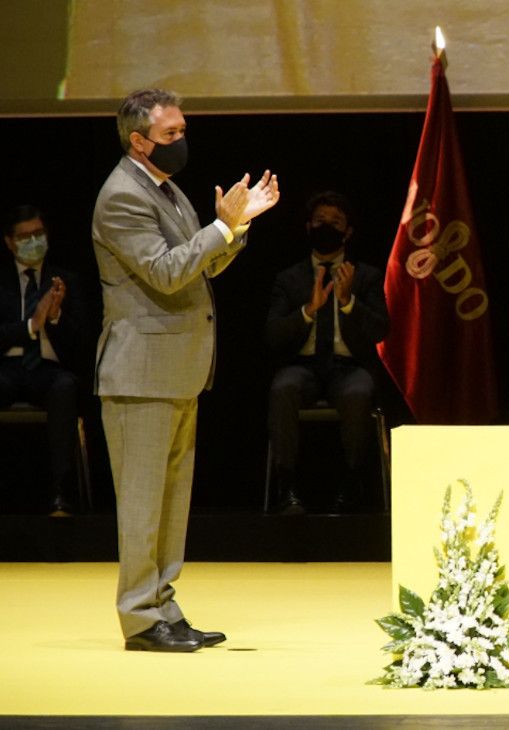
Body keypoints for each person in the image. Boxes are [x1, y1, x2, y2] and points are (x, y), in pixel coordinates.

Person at [93, 88, 279, 652]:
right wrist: (220, 229)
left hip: (176, 369)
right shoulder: (122, 197)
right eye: (171, 134)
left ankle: (164, 608)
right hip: (140, 372)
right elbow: (168, 272)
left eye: (183, 130)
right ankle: (140, 618)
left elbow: (202, 268)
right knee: (144, 503)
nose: (182, 141)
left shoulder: (165, 190)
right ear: (139, 141)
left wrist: (236, 228)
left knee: (171, 502)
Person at [264, 191, 389, 515]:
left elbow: (381, 330)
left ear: (348, 232)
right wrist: (308, 309)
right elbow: (273, 334)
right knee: (283, 387)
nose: (327, 227)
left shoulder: (367, 276)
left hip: (349, 367)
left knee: (359, 392)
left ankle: (352, 484)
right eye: (320, 221)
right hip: (302, 366)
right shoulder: (289, 279)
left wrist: (348, 303)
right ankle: (286, 486)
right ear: (308, 227)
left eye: (335, 223)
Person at [0, 205, 85, 515]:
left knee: (65, 387)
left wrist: (56, 315)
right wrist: (31, 325)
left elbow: (81, 345)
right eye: (24, 236)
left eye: (38, 234)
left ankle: (61, 493)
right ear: (9, 242)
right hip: (7, 368)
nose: (32, 241)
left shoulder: (66, 281)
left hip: (48, 370)